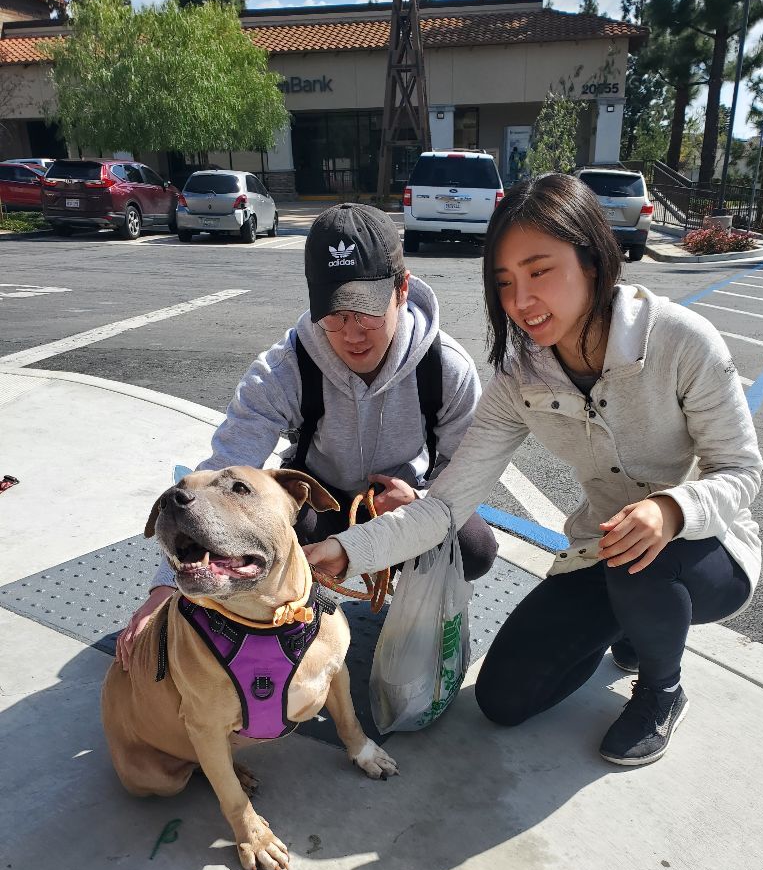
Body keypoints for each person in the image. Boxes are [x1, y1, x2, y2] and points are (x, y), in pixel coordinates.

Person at [305, 173, 763, 767]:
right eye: (505, 282)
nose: (520, 301)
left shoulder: (681, 341)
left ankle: (661, 689)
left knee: (642, 574)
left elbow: (740, 469)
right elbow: (444, 507)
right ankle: (633, 624)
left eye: (539, 270)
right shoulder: (520, 379)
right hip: (605, 550)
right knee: (503, 700)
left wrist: (672, 509)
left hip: (705, 550)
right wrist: (345, 549)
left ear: (592, 261)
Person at [116, 202, 496, 669]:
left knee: (475, 546)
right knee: (261, 527)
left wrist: (419, 501)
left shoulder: (447, 368)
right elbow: (217, 475)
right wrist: (166, 585)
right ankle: (289, 614)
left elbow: (465, 478)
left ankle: (414, 604)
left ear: (401, 289)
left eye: (366, 312)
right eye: (334, 315)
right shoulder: (285, 367)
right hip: (321, 505)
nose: (351, 334)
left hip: (401, 504)